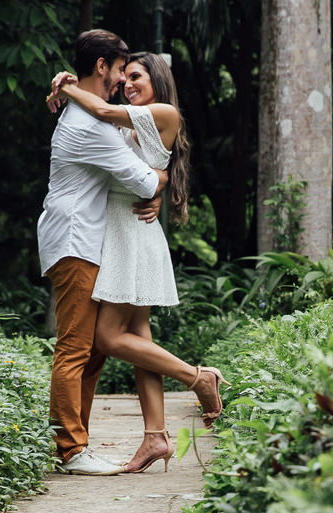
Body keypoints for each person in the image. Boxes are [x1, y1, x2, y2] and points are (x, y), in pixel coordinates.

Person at [46, 52, 228, 475]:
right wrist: (160, 182)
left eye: (137, 76)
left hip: (129, 230)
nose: (128, 83)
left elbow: (104, 110)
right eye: (124, 77)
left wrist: (65, 85)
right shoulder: (133, 119)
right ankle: (155, 437)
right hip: (123, 228)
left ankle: (199, 378)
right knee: (139, 338)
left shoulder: (161, 112)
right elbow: (133, 160)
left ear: (158, 80)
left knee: (108, 339)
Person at [37, 30, 168, 477]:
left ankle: (78, 443)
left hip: (85, 241)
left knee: (91, 350)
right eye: (118, 70)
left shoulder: (88, 115)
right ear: (102, 67)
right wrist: (163, 182)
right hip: (76, 242)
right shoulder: (88, 127)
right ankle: (71, 450)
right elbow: (147, 183)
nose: (120, 80)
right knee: (74, 348)